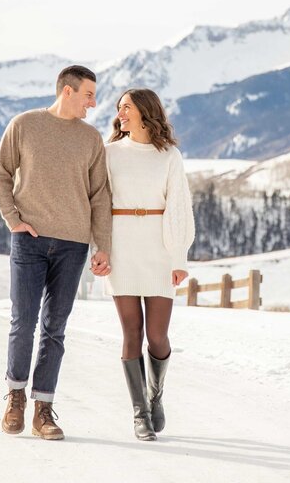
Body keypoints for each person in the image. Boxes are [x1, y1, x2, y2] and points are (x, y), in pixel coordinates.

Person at [0, 65, 113, 441]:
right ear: (68, 91)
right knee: (22, 321)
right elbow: (0, 173)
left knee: (54, 329)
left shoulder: (91, 139)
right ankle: (15, 398)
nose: (94, 102)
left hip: (73, 245)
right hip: (29, 239)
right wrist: (13, 220)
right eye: (89, 94)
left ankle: (43, 409)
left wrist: (102, 245)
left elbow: (100, 196)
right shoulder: (24, 125)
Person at [104, 88, 196, 441]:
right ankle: (139, 413)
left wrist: (178, 257)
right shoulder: (109, 153)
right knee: (132, 333)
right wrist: (102, 249)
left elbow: (180, 207)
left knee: (157, 336)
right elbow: (99, 205)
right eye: (119, 109)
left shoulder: (169, 155)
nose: (120, 114)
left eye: (126, 107)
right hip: (121, 249)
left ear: (144, 111)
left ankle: (155, 395)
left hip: (158, 249)